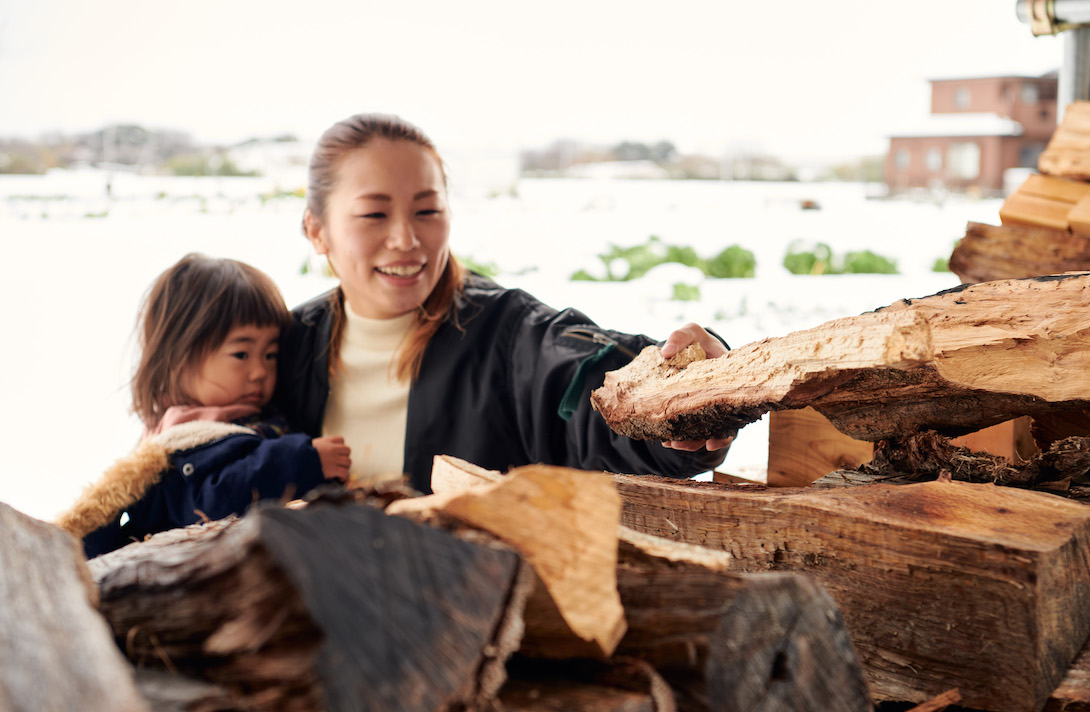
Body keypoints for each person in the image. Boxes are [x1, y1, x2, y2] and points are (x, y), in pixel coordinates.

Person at [276, 112, 733, 495]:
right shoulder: (283, 348)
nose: (406, 239)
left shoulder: (509, 335)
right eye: (374, 214)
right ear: (316, 230)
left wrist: (694, 385)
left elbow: (598, 392)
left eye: (427, 210)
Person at [57, 254, 352, 557]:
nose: (260, 372)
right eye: (241, 354)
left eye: (270, 355)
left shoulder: (244, 416)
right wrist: (304, 461)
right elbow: (212, 500)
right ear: (180, 357)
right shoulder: (183, 440)